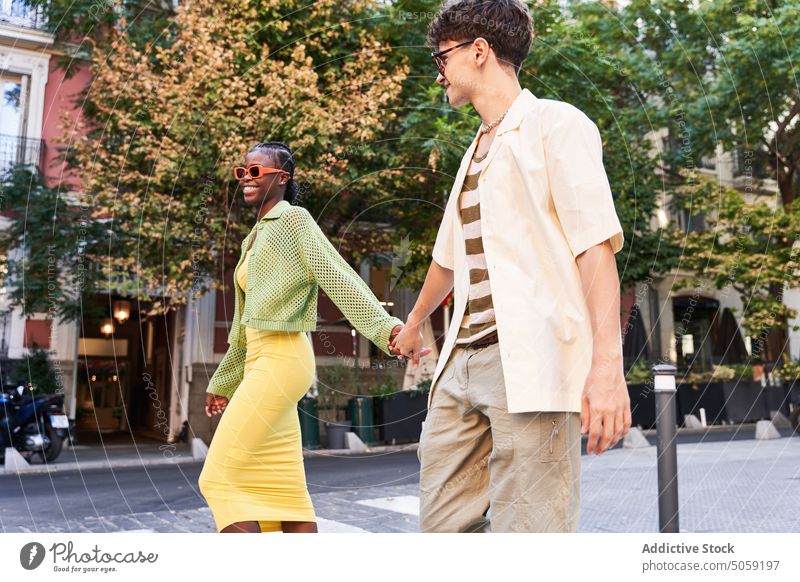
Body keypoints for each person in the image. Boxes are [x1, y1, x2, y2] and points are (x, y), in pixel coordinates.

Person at [390, 0, 631, 533]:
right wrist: (413, 324)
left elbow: (594, 247)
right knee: (442, 528)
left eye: (442, 57)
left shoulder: (556, 124)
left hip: (528, 360)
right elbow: (447, 258)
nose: (439, 73)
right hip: (459, 363)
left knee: (531, 533)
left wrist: (606, 368)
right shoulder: (474, 149)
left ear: (480, 52)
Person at [198, 141, 408, 533]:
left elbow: (336, 276)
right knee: (283, 493)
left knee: (218, 478)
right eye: (242, 171)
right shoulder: (253, 238)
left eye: (256, 171)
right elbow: (244, 328)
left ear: (282, 178)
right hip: (261, 360)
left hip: (282, 360)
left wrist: (387, 329)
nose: (246, 178)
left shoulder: (294, 221)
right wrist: (224, 380)